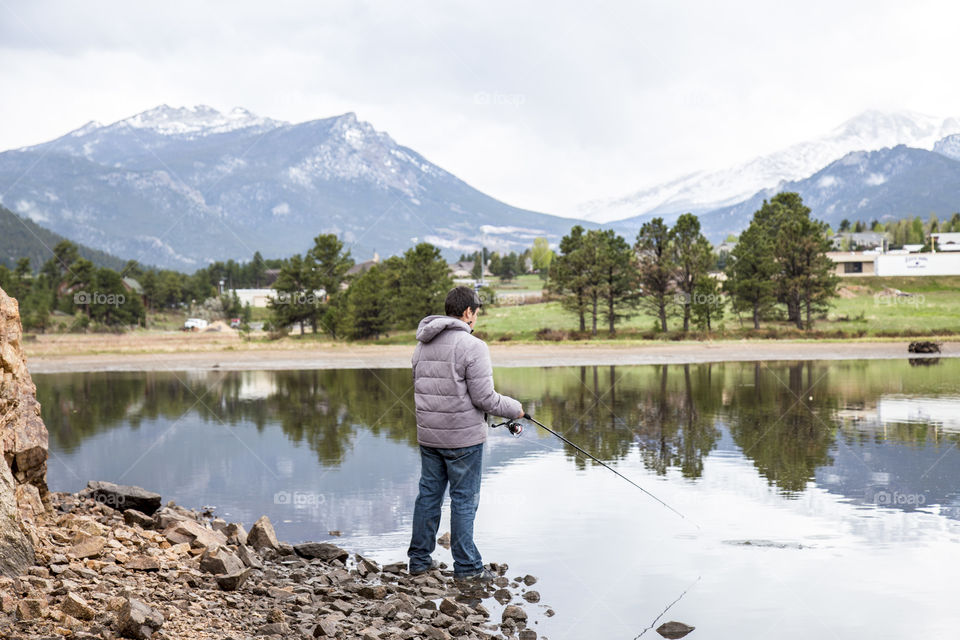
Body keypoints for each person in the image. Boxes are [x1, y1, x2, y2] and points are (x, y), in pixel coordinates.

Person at [407, 286, 523, 581]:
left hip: (429, 437)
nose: (477, 319)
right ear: (468, 312)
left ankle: (419, 562)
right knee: (464, 499)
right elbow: (486, 399)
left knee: (429, 496)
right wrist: (516, 409)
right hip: (463, 440)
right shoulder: (473, 346)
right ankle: (468, 568)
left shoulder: (422, 345)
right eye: (477, 313)